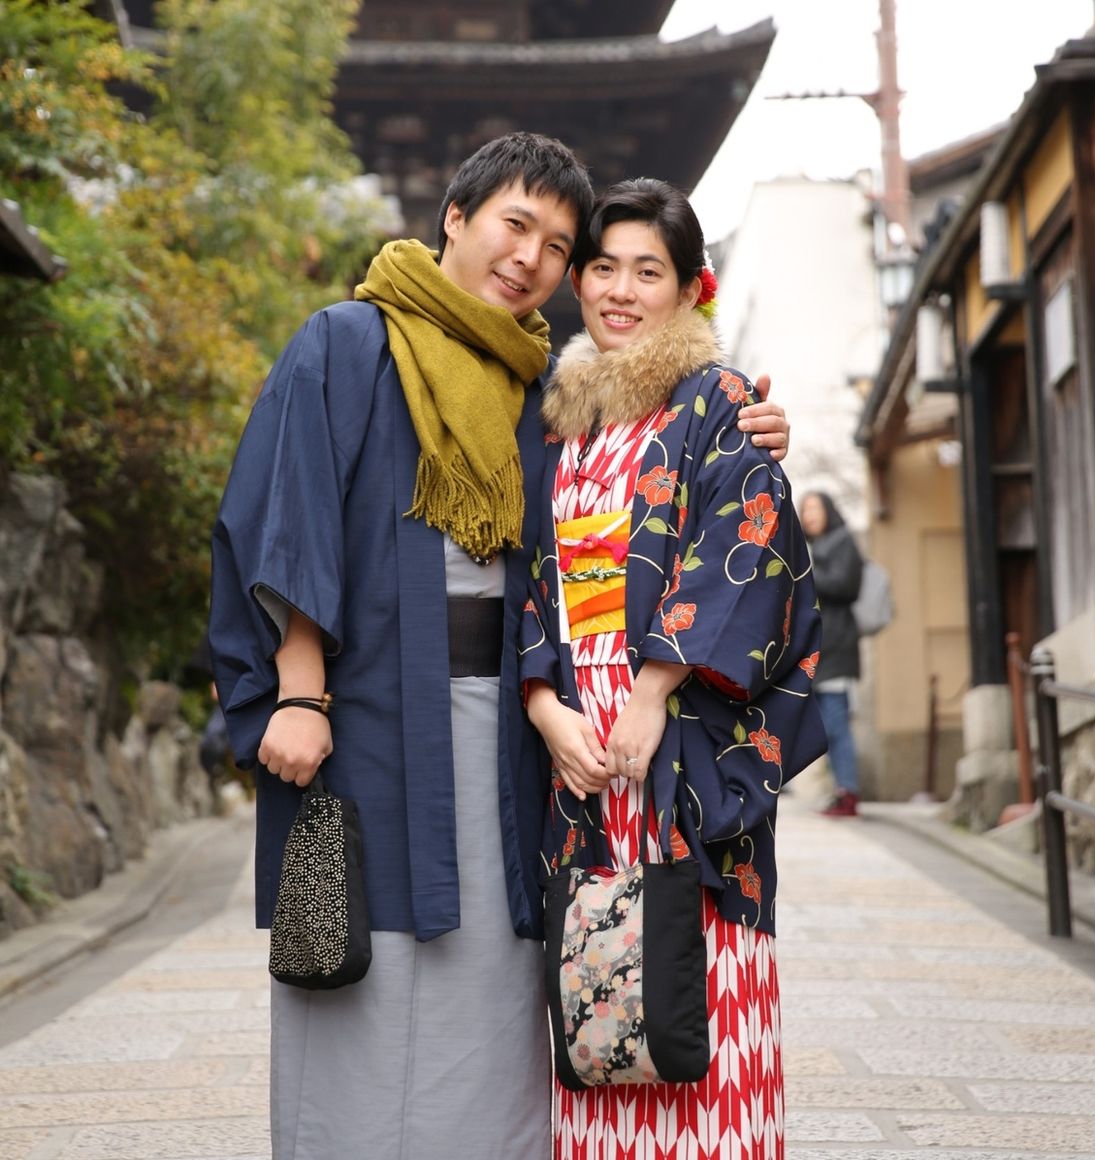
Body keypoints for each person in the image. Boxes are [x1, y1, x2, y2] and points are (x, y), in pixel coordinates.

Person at [209, 134, 793, 1159]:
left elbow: (626, 503)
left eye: (558, 246)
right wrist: (298, 690)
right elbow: (287, 513)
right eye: (515, 225)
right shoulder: (349, 342)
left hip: (508, 726)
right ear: (455, 216)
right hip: (367, 707)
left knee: (500, 962)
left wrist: (751, 426)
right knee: (360, 952)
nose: (531, 258)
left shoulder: (543, 389)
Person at [520, 178, 827, 1160]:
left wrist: (652, 689)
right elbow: (533, 578)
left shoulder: (719, 402)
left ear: (691, 287)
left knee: (698, 989)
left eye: (647, 271)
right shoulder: (559, 419)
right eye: (603, 267)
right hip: (581, 744)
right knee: (600, 988)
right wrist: (544, 707)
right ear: (577, 281)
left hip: (682, 737)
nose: (621, 290)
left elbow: (745, 544)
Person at [800, 491, 864, 817]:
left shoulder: (842, 541)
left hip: (836, 649)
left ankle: (848, 793)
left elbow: (847, 585)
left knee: (837, 724)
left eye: (815, 507)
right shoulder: (812, 546)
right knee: (825, 726)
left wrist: (807, 573)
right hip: (818, 651)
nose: (809, 515)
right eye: (805, 509)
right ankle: (839, 790)